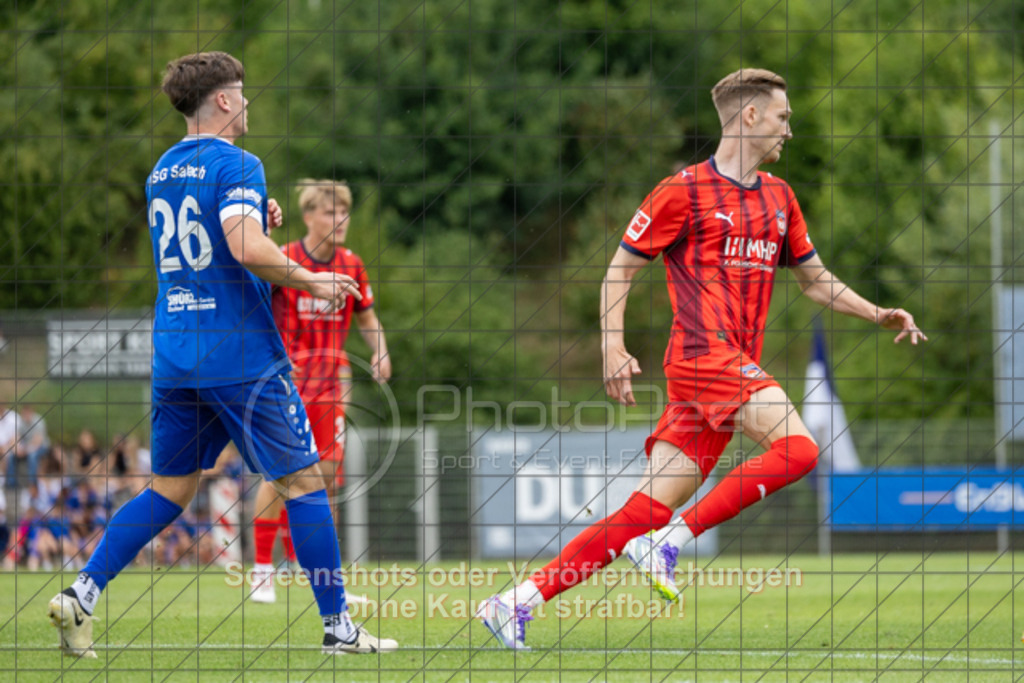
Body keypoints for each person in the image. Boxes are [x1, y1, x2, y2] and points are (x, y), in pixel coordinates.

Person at [477, 68, 927, 649]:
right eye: (783, 117)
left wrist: (876, 312)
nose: (790, 129)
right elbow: (620, 269)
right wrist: (611, 344)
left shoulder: (780, 198)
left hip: (724, 370)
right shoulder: (681, 192)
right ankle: (673, 540)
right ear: (750, 116)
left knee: (641, 511)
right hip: (700, 357)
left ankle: (515, 601)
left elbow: (815, 282)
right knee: (799, 450)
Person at [47, 51, 396, 658]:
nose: (248, 102)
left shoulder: (162, 170)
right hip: (239, 353)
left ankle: (82, 593)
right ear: (226, 101)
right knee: (305, 484)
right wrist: (310, 280)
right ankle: (339, 628)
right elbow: (241, 246)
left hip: (176, 353)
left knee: (169, 491)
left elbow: (217, 234)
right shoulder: (238, 161)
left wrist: (257, 220)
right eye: (243, 91)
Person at [249, 178, 390, 604]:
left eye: (344, 212)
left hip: (331, 387)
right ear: (309, 216)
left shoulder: (352, 264)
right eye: (330, 212)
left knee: (324, 481)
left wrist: (380, 351)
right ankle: (260, 569)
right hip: (288, 383)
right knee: (281, 474)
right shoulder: (286, 258)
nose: (340, 220)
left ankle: (318, 577)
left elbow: (366, 317)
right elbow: (255, 307)